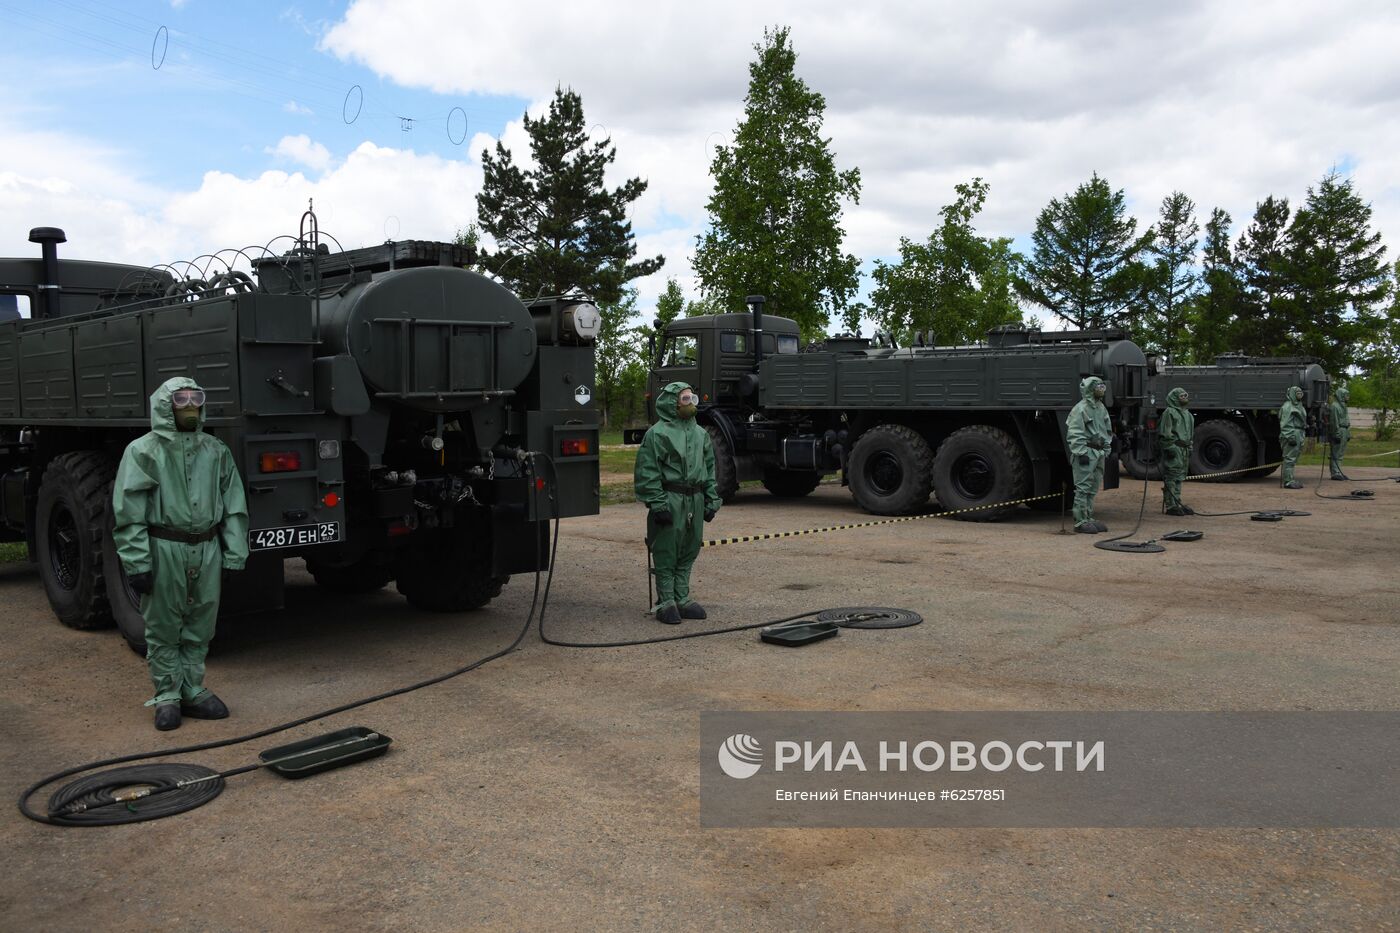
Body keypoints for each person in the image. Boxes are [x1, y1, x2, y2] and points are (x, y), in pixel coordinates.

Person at [113, 377, 249, 731]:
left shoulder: (216, 451)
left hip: (207, 547)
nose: (189, 405)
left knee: (201, 622)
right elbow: (129, 511)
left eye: (195, 398)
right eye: (180, 399)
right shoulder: (143, 452)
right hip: (165, 548)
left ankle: (193, 688)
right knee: (163, 624)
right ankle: (167, 695)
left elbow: (234, 503)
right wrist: (137, 562)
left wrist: (234, 552)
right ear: (164, 406)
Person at [633, 382, 720, 624]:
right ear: (672, 403)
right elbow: (648, 470)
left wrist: (712, 499)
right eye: (685, 399)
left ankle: (682, 598)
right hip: (670, 497)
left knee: (690, 548)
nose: (690, 403)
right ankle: (666, 601)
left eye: (692, 398)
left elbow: (709, 468)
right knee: (666, 549)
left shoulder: (701, 434)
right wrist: (658, 504)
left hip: (696, 498)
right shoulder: (657, 434)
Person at [1066, 375, 1113, 534]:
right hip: (1086, 451)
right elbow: (1075, 432)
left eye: (1102, 386)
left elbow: (1106, 429)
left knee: (1093, 486)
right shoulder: (1080, 409)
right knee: (1083, 487)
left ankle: (1088, 517)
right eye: (1098, 386)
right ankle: (1080, 521)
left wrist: (1106, 447)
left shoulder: (1100, 408)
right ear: (1091, 389)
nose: (1102, 389)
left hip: (1098, 452)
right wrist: (1081, 452)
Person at [1158, 387, 1196, 516]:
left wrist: (1189, 446)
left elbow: (1190, 432)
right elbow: (1165, 432)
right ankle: (1171, 505)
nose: (1185, 398)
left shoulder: (1187, 414)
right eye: (1181, 396)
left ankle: (1177, 502)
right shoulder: (1169, 412)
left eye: (1185, 395)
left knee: (1180, 476)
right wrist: (1170, 447)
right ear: (1175, 398)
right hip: (1175, 447)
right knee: (1172, 475)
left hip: (1184, 449)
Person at [1279, 385, 1307, 489]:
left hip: (1299, 432)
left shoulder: (1299, 405)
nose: (1300, 395)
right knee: (1289, 457)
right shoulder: (1288, 406)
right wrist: (1290, 436)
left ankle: (1290, 478)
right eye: (1297, 393)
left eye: (1301, 393)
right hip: (1292, 433)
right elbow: (1285, 423)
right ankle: (1288, 481)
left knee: (1293, 457)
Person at [1328, 384, 1351, 480]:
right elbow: (1334, 421)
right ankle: (1335, 472)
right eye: (1346, 395)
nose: (1348, 397)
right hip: (1339, 430)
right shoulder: (1335, 406)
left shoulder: (1344, 406)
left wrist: (1348, 433)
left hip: (1344, 429)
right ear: (1341, 395)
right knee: (1336, 452)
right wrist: (1336, 434)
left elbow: (1347, 420)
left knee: (1341, 452)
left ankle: (1339, 471)